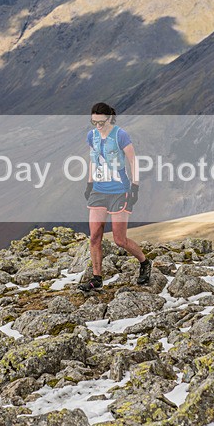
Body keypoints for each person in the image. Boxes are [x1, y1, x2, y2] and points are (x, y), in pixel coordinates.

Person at [78, 102, 151, 291]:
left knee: (120, 240)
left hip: (119, 191)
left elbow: (133, 161)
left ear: (109, 118)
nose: (97, 126)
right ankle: (96, 278)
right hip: (99, 191)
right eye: (94, 122)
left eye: (101, 122)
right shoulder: (91, 136)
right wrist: (89, 183)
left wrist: (135, 187)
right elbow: (94, 160)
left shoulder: (120, 135)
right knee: (94, 237)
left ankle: (144, 263)